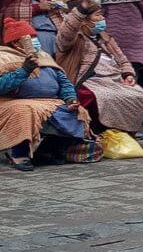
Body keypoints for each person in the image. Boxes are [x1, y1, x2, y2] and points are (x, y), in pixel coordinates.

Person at [0, 18, 89, 171]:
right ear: (16, 43)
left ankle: (48, 150)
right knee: (24, 111)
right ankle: (18, 154)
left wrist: (70, 98)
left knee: (76, 112)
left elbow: (63, 81)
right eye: (30, 38)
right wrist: (24, 70)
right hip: (13, 101)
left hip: (49, 102)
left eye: (35, 37)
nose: (35, 41)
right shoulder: (4, 58)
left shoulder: (44, 56)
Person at [56, 0, 143, 135]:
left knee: (141, 95)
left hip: (114, 79)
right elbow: (67, 29)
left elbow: (122, 60)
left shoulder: (106, 38)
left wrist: (128, 74)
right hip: (90, 81)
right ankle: (97, 132)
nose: (102, 19)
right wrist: (82, 8)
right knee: (102, 98)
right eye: (98, 15)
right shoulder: (72, 40)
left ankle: (124, 131)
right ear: (84, 20)